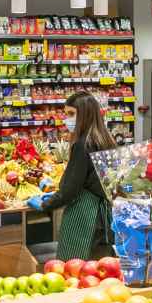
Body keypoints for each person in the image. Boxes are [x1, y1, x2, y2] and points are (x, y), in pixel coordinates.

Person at [29, 92, 116, 260]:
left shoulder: (83, 145)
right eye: (66, 114)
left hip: (85, 218)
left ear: (84, 115)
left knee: (76, 268)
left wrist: (45, 204)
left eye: (71, 114)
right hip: (104, 218)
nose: (66, 119)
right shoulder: (105, 140)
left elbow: (71, 189)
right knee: (100, 267)